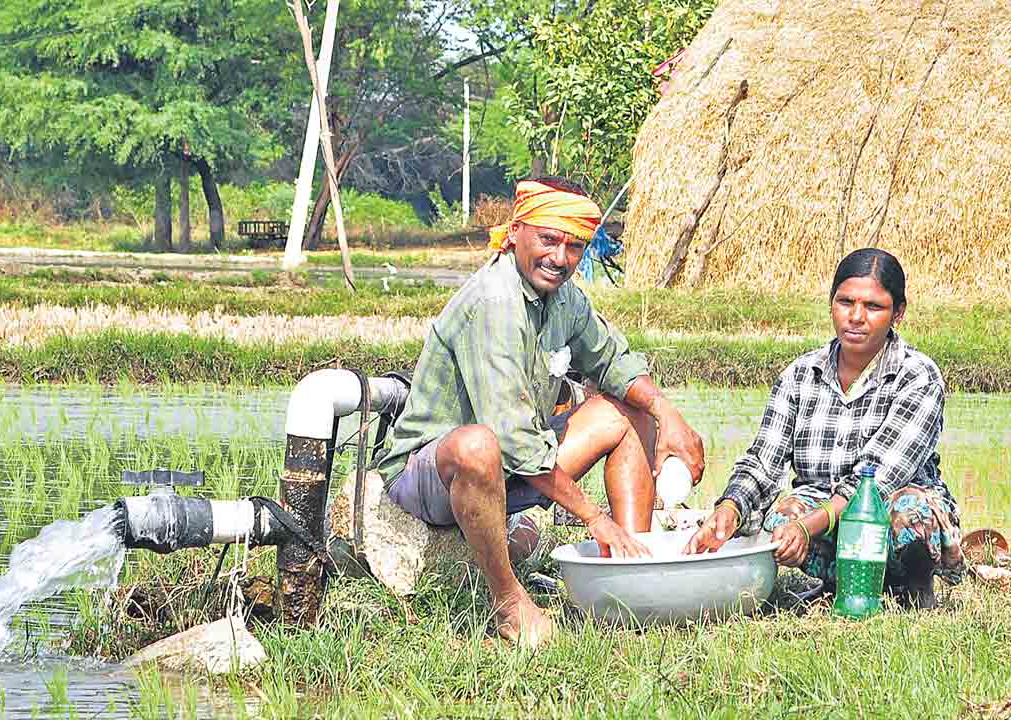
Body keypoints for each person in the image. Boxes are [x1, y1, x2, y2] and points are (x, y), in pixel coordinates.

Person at [376, 177, 706, 646]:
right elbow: (510, 440)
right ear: (514, 233)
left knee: (626, 411)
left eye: (574, 246)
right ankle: (508, 602)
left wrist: (665, 412)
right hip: (435, 475)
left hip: (511, 469)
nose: (560, 257)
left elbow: (611, 360)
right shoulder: (495, 301)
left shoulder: (563, 296)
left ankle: (637, 570)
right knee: (478, 445)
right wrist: (593, 515)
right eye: (549, 239)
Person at [684, 248, 964, 609]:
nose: (856, 317)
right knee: (780, 516)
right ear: (831, 303)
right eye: (845, 302)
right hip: (821, 509)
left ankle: (911, 589)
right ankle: (838, 582)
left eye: (874, 307)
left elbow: (877, 482)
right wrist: (730, 507)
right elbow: (762, 463)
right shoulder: (800, 375)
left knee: (909, 511)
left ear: (898, 313)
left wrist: (808, 526)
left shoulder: (917, 376)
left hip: (887, 505)